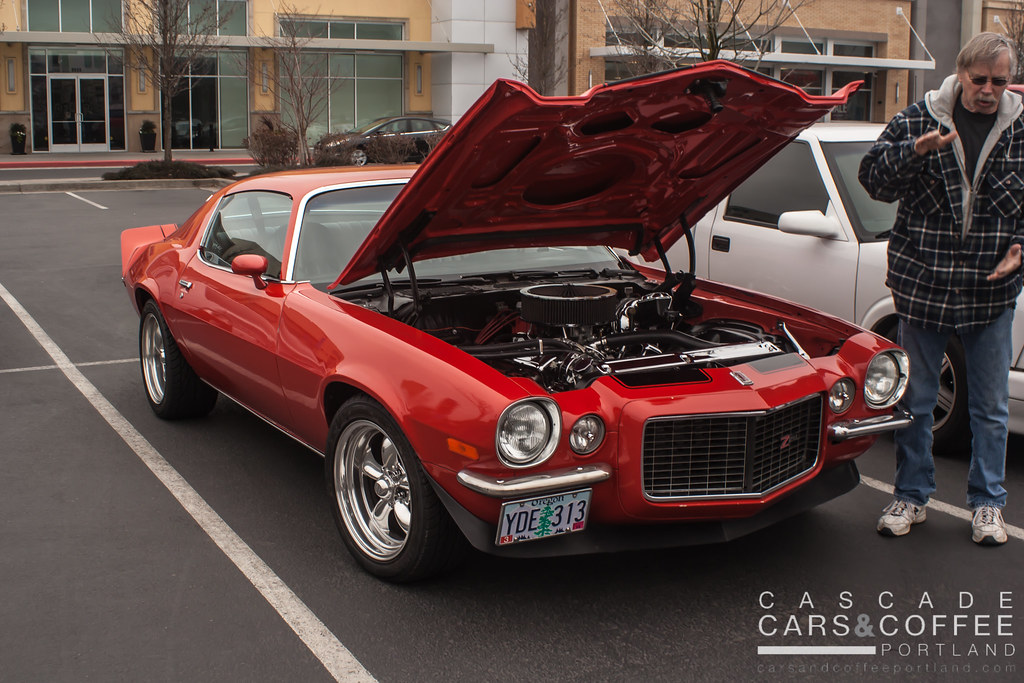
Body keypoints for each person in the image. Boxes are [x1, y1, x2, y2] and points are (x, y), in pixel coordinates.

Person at [859, 32, 1024, 545]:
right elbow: (873, 181)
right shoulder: (917, 118)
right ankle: (910, 495)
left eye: (999, 81)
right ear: (961, 72)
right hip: (924, 285)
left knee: (990, 406)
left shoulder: (1021, 132)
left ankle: (988, 504)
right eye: (980, 80)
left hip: (990, 291)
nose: (989, 91)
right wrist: (914, 151)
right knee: (917, 399)